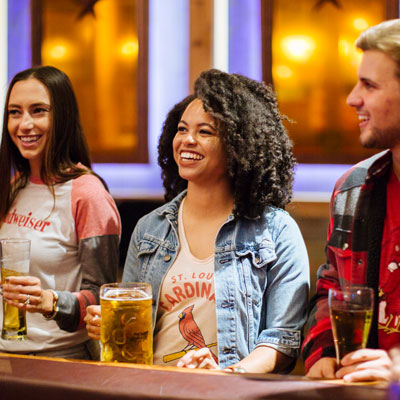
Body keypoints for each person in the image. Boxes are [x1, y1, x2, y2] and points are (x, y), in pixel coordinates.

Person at [86, 68, 309, 373]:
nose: (187, 140)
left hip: (230, 393)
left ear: (239, 146)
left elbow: (282, 341)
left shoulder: (276, 231)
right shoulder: (151, 228)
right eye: (181, 129)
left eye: (205, 132)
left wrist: (228, 375)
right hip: (151, 388)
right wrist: (109, 328)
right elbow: (132, 336)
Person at [301, 19, 400, 382]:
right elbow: (331, 288)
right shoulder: (353, 189)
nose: (352, 98)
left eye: (369, 85)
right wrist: (323, 351)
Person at [0, 66, 121, 359]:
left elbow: (102, 300)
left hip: (59, 360)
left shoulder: (87, 193)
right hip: (8, 357)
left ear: (63, 117)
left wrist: (48, 301)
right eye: (15, 112)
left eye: (38, 111)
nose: (24, 124)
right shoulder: (15, 185)